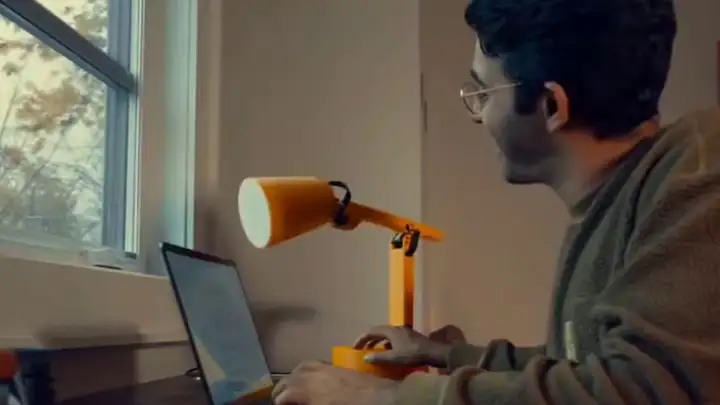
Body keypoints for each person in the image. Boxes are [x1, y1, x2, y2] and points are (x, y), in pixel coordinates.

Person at [272, 0, 720, 404]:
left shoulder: (699, 178)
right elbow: (581, 368)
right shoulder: (623, 197)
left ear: (551, 106)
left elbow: (635, 390)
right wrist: (447, 355)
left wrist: (384, 397)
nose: (479, 115)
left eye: (482, 94)